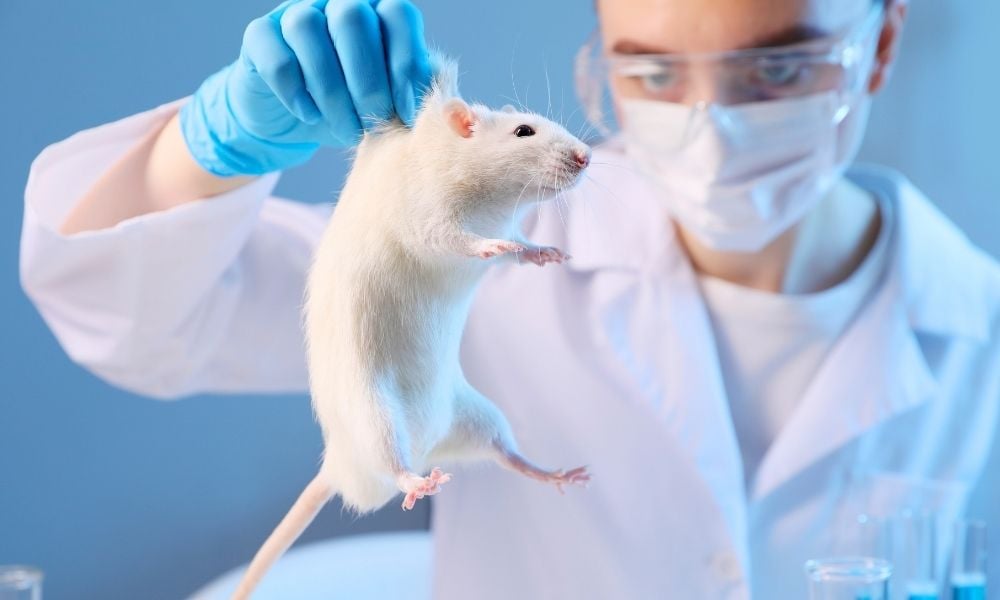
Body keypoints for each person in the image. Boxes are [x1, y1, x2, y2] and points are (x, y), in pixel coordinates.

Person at [18, 0, 1000, 597]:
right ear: (600, 59)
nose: (715, 127)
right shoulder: (505, 243)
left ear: (879, 45)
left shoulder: (979, 331)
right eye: (653, 70)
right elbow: (150, 328)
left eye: (777, 66)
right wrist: (207, 149)